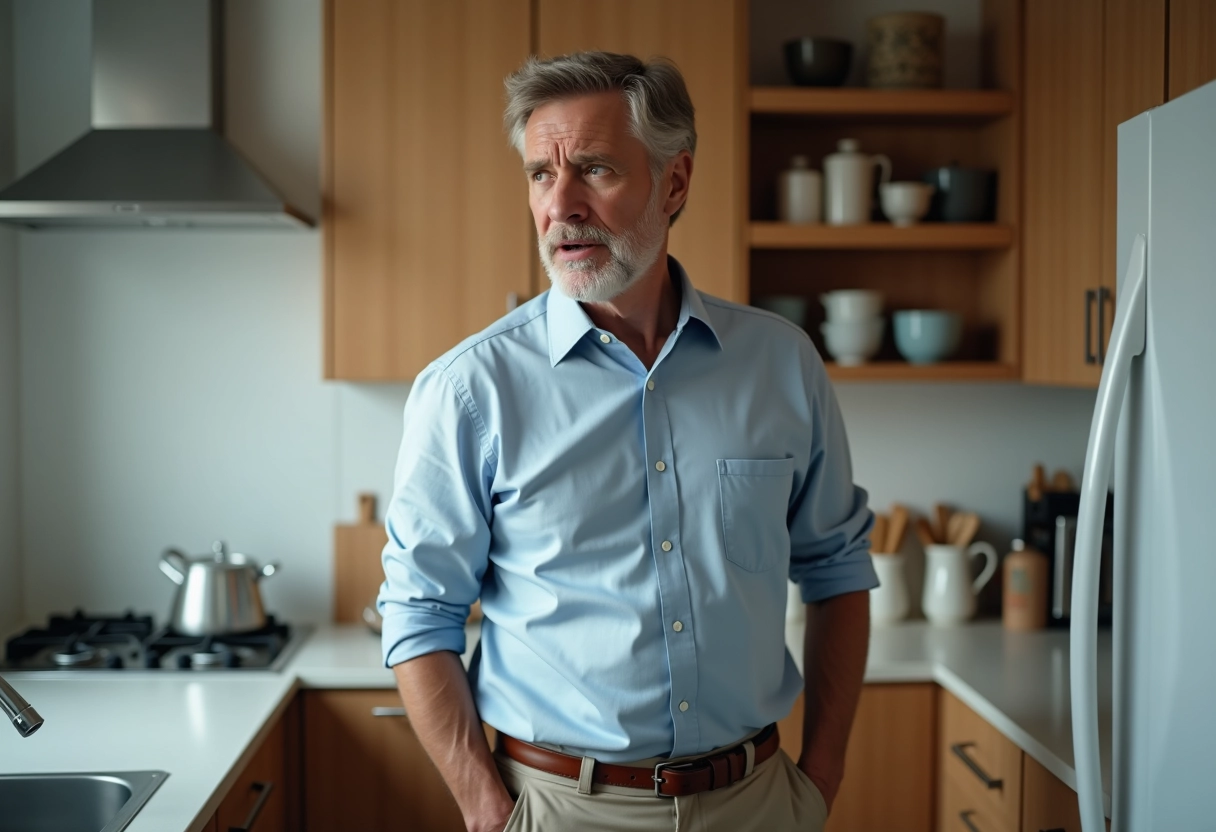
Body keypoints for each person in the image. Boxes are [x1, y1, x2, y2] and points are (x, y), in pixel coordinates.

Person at [377, 51, 877, 832]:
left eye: (596, 170)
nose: (562, 205)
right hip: (558, 808)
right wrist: (486, 808)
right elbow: (419, 612)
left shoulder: (782, 363)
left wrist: (820, 779)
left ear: (674, 183)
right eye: (542, 174)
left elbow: (838, 570)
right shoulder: (471, 390)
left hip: (758, 803)